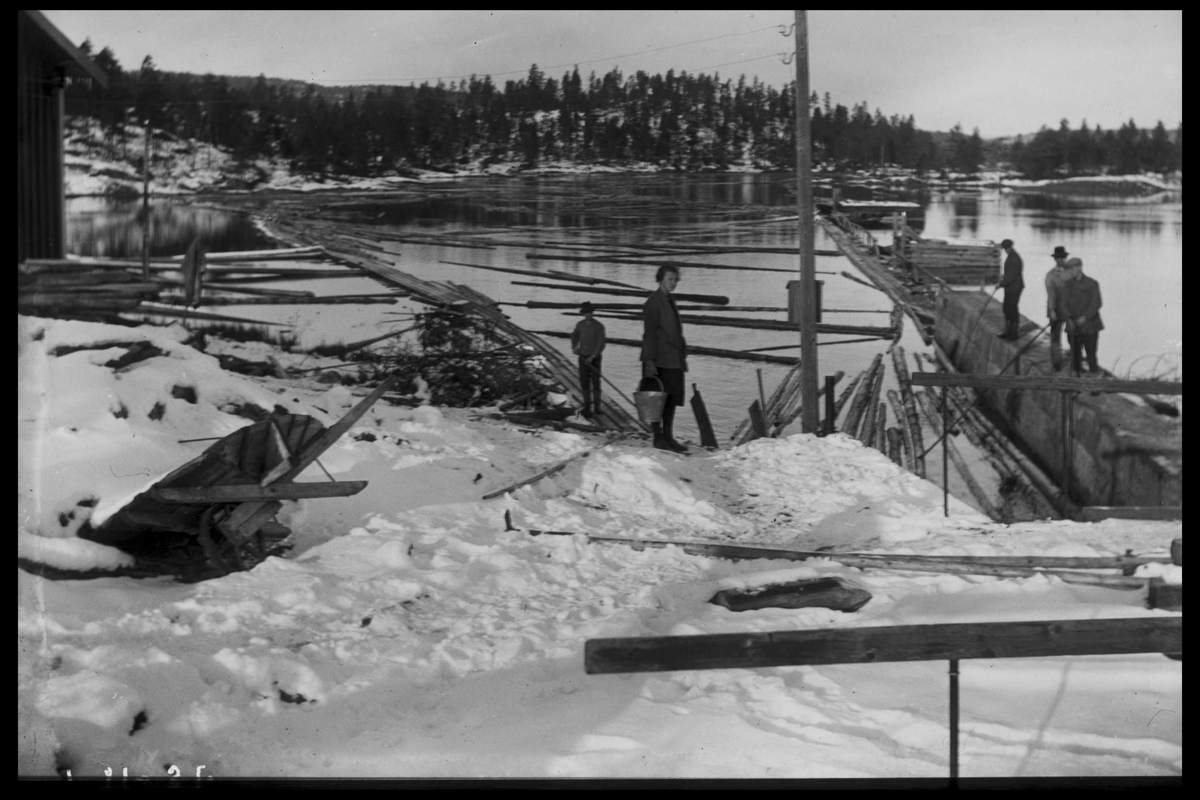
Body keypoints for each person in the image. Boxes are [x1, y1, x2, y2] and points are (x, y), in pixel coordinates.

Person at [640, 265, 689, 452]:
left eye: (676, 280)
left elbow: (675, 329)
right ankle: (658, 437)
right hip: (659, 359)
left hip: (674, 359)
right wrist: (650, 362)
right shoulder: (653, 303)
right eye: (670, 279)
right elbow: (649, 335)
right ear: (660, 279)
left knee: (672, 399)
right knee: (656, 398)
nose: (674, 283)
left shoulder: (670, 300)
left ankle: (668, 436)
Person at [1056, 257, 1104, 376]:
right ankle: (1076, 384)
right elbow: (1063, 305)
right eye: (1069, 269)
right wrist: (1069, 318)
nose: (1070, 272)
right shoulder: (1067, 285)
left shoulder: (1092, 283)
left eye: (1072, 269)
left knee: (1091, 356)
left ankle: (1094, 385)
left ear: (1079, 268)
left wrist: (1085, 317)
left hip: (1090, 327)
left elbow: (1096, 303)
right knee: (1075, 356)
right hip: (1073, 327)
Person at [570, 301, 606, 417]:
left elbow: (601, 343)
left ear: (593, 313)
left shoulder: (599, 326)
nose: (588, 315)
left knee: (596, 382)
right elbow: (574, 336)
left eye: (590, 313)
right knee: (584, 381)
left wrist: (593, 356)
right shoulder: (580, 325)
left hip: (594, 358)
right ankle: (587, 407)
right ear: (583, 314)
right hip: (582, 356)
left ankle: (597, 407)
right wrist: (574, 346)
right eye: (586, 313)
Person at [1045, 245, 1072, 370]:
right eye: (1059, 258)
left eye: (1063, 258)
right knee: (1055, 337)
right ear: (1055, 259)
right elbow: (1051, 295)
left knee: (1073, 335)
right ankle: (1056, 363)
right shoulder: (1050, 275)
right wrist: (1052, 310)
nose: (1061, 260)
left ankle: (1074, 359)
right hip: (1055, 310)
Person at [997, 239, 1024, 340]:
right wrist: (1002, 280)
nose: (1005, 250)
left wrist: (1001, 284)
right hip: (1010, 287)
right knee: (1006, 308)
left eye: (1006, 248)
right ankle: (1007, 331)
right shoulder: (1011, 256)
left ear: (1010, 247)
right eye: (1004, 249)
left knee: (1012, 309)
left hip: (1015, 288)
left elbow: (1012, 276)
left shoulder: (1014, 258)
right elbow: (1009, 274)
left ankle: (1013, 334)